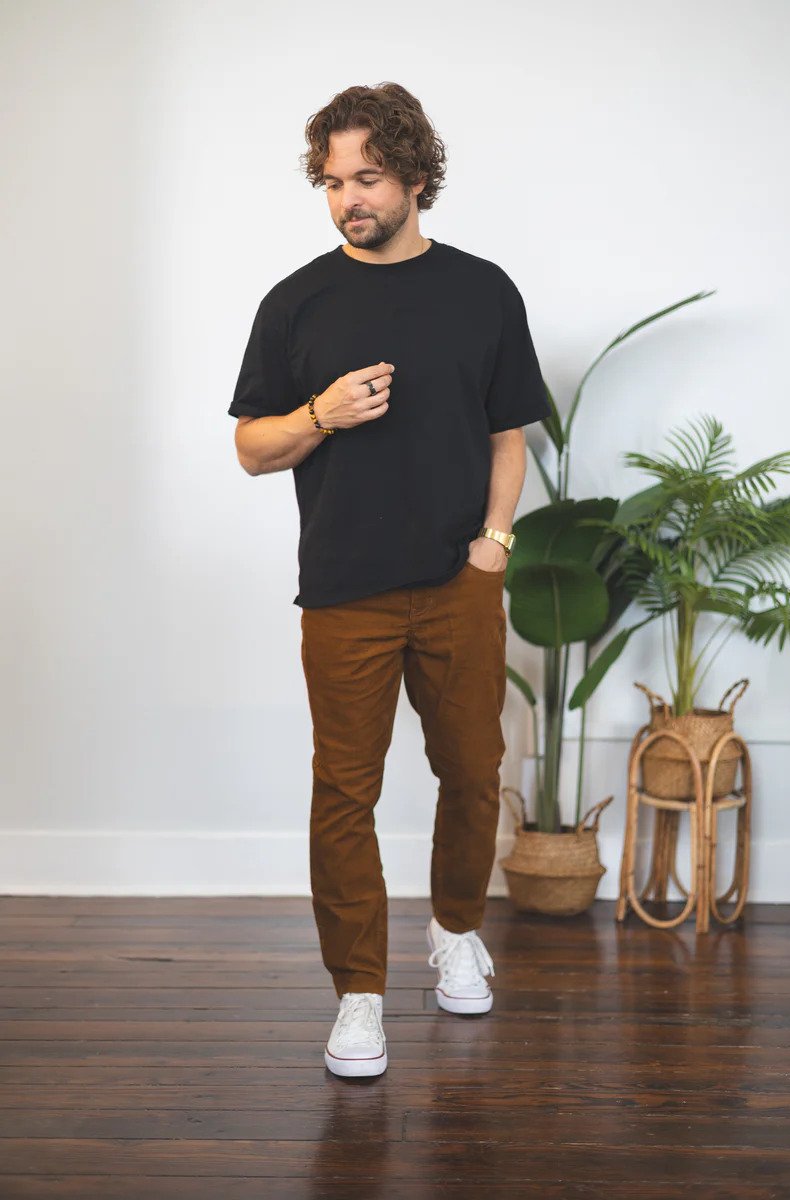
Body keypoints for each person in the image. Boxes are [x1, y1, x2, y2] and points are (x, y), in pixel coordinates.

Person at [228, 82, 551, 1079]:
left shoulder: (483, 290)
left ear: (414, 176)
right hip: (343, 587)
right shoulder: (294, 302)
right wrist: (318, 414)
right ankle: (357, 995)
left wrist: (494, 540)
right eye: (331, 182)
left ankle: (454, 929)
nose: (346, 199)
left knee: (471, 772)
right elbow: (250, 447)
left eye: (365, 178)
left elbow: (509, 434)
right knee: (344, 794)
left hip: (458, 581)